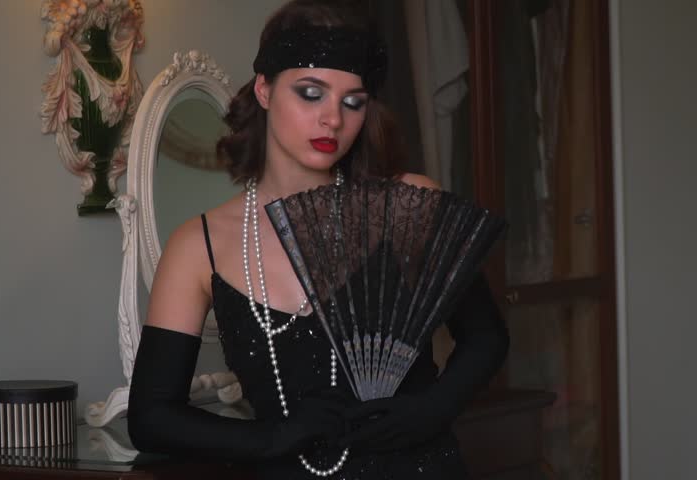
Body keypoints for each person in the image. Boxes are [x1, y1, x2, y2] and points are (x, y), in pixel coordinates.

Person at [127, 1, 509, 478]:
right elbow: (152, 417)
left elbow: (487, 336)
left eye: (353, 101)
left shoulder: (406, 206)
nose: (333, 118)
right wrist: (269, 439)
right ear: (264, 89)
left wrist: (431, 411)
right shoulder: (198, 245)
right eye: (311, 93)